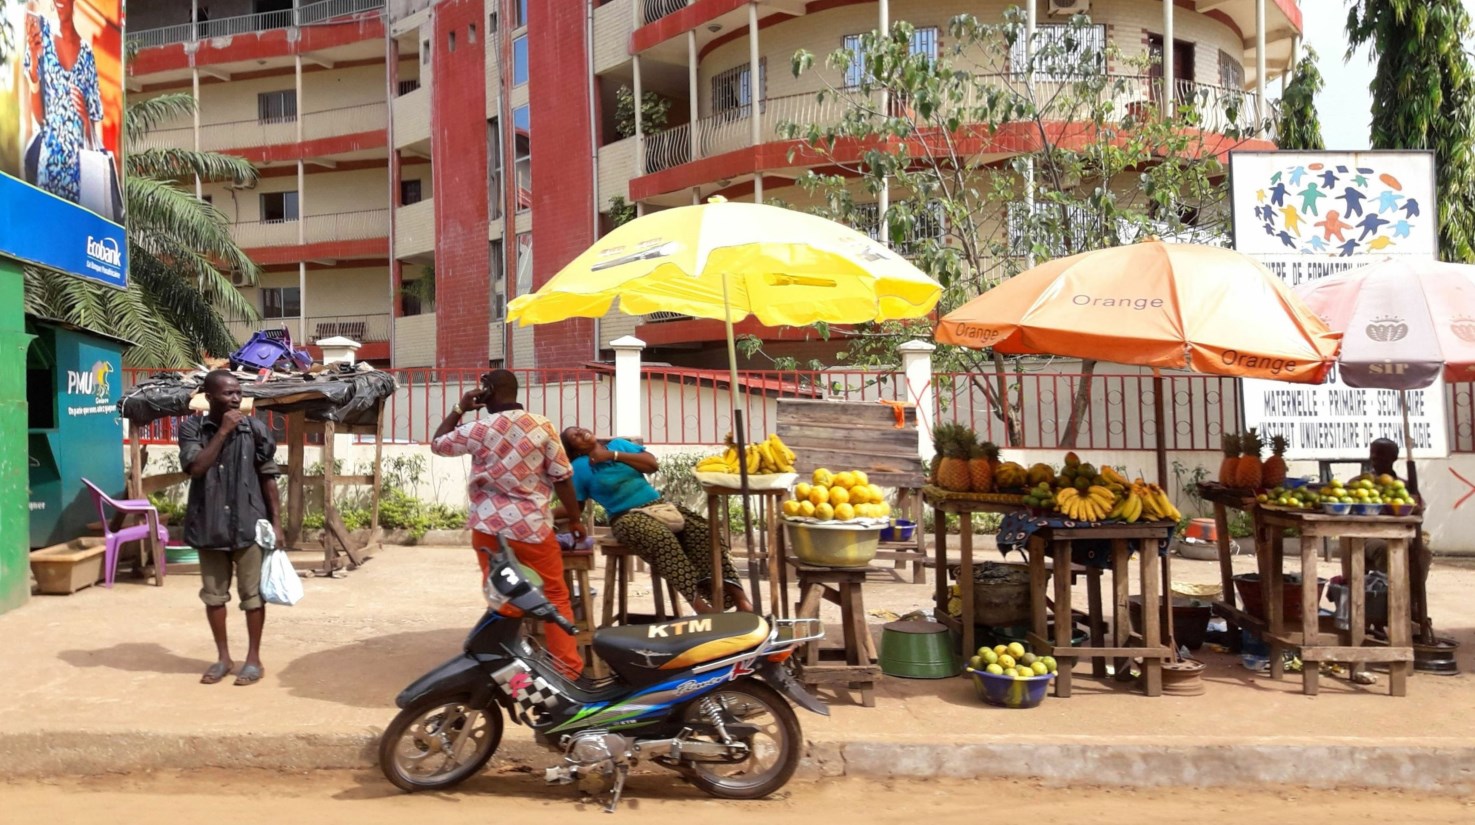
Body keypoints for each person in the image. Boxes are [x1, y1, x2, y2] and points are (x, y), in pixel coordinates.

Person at [432, 370, 586, 677]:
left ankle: (506, 668)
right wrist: (576, 518)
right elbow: (563, 478)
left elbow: (438, 443)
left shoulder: (479, 427)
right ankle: (568, 671)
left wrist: (460, 408)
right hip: (532, 527)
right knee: (555, 595)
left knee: (503, 596)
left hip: (488, 528)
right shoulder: (542, 426)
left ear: (486, 392)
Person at [558, 427, 753, 614]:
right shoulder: (578, 468)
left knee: (704, 533)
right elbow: (576, 506)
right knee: (661, 540)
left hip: (659, 506)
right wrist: (545, 512)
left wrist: (612, 456)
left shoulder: (619, 445)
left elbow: (652, 465)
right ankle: (701, 607)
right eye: (574, 435)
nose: (580, 432)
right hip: (626, 517)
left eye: (579, 428)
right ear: (572, 448)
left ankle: (740, 600)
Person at [179, 371, 281, 687]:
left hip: (249, 526)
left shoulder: (256, 430)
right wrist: (222, 432)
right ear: (209, 397)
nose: (236, 399)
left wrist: (277, 524)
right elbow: (195, 468)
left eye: (238, 392)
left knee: (253, 597)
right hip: (209, 526)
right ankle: (223, 657)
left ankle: (253, 659)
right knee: (214, 597)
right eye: (227, 393)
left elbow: (268, 477)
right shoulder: (192, 429)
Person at [24, 0, 104, 206]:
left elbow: (93, 134)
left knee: (78, 234)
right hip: (49, 166)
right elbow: (41, 119)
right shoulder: (43, 39)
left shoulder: (87, 54)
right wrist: (34, 62)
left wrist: (86, 119)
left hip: (81, 174)